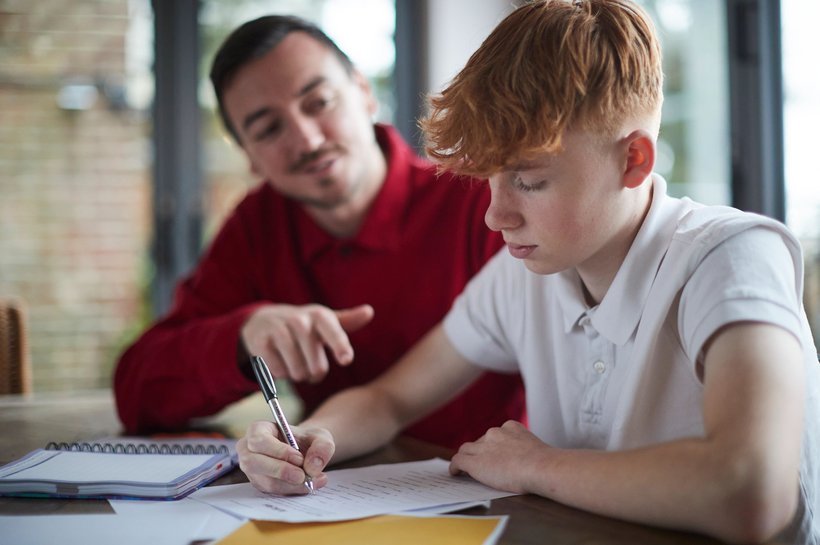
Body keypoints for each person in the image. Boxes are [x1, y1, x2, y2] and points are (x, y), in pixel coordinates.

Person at [236, 1, 820, 543]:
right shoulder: (525, 275)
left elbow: (751, 494)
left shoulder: (732, 256)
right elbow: (390, 400)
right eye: (488, 178)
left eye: (530, 181)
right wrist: (312, 437)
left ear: (633, 159)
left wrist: (535, 465)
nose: (495, 214)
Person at [112, 15, 526, 450]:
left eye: (319, 102)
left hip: (491, 493)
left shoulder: (481, 201)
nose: (307, 140)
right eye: (269, 129)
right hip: (325, 485)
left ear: (364, 93)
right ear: (250, 158)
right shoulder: (258, 229)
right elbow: (138, 390)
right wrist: (243, 338)